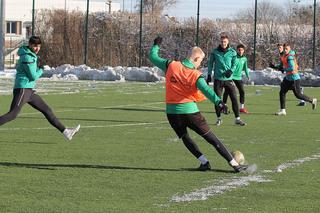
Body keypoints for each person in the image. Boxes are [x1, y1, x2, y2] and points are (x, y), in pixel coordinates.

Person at [148, 36, 247, 172]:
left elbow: (152, 57)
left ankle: (204, 162)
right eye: (200, 60)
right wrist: (219, 102)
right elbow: (206, 90)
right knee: (211, 138)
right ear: (195, 59)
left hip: (172, 113)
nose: (200, 64)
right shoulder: (195, 74)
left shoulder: (171, 65)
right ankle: (234, 164)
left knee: (185, 137)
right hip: (190, 112)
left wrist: (156, 45)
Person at [0, 36, 80, 140]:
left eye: (39, 46)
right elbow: (32, 76)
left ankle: (66, 132)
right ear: (30, 45)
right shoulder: (27, 57)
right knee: (13, 114)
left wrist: (39, 67)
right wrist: (41, 69)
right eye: (34, 46)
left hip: (29, 91)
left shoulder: (31, 56)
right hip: (23, 89)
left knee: (47, 110)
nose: (37, 48)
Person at [207, 34, 246, 126]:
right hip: (218, 79)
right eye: (221, 41)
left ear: (228, 42)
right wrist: (209, 74)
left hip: (229, 80)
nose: (223, 43)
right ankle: (219, 118)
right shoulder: (215, 52)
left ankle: (237, 119)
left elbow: (235, 64)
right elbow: (210, 64)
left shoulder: (232, 52)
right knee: (217, 100)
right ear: (220, 42)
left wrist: (231, 71)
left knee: (234, 99)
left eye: (225, 41)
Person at [270, 43, 317, 115]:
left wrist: (284, 69)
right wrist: (274, 67)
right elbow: (281, 66)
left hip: (294, 78)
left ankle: (312, 100)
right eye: (282, 48)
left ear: (289, 49)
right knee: (282, 92)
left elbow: (292, 68)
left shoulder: (289, 57)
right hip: (288, 78)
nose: (284, 50)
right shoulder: (283, 55)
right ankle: (283, 110)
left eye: (286, 49)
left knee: (298, 95)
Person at [222, 44, 250, 113]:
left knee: (242, 91)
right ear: (237, 50)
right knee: (227, 91)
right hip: (231, 77)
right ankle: (223, 107)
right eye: (239, 50)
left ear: (243, 51)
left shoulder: (244, 59)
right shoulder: (234, 57)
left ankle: (241, 108)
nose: (240, 51)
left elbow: (245, 68)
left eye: (242, 50)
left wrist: (248, 75)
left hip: (238, 77)